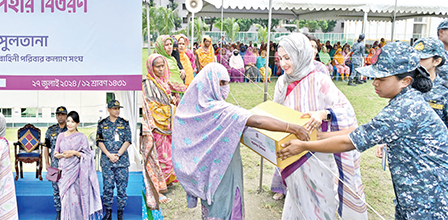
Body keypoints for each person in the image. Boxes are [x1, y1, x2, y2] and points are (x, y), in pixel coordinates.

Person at [278, 42, 448, 219]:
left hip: (428, 200)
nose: (374, 83)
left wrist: (306, 145)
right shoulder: (407, 101)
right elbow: (361, 131)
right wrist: (320, 135)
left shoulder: (404, 110)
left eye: (381, 78)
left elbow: (349, 142)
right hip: (416, 194)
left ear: (405, 81)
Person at [171, 63, 310, 220]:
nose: (226, 87)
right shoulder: (221, 110)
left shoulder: (190, 108)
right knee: (225, 206)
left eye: (227, 82)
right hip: (223, 171)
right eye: (221, 83)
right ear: (209, 83)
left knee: (212, 208)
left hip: (206, 174)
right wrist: (292, 127)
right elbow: (256, 121)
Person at [271, 33, 367, 219]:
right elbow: (277, 111)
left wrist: (323, 114)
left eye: (288, 58)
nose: (283, 63)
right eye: (280, 58)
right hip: (292, 151)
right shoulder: (282, 82)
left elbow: (345, 110)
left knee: (320, 200)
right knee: (296, 195)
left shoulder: (319, 80)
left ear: (301, 55)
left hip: (317, 152)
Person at [141, 54, 176, 209]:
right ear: (151, 67)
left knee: (168, 153)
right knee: (160, 155)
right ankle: (159, 183)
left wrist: (172, 102)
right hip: (156, 125)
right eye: (158, 66)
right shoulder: (147, 84)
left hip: (167, 124)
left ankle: (166, 181)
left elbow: (166, 98)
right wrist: (169, 109)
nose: (161, 69)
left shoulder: (163, 81)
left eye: (163, 66)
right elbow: (151, 107)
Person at [54, 111, 102, 220]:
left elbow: (88, 155)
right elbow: (56, 153)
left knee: (76, 200)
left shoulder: (82, 137)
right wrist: (65, 155)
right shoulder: (61, 136)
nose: (70, 124)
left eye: (73, 122)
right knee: (65, 200)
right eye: (68, 121)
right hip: (64, 172)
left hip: (77, 173)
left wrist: (75, 153)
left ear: (78, 123)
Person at [96, 100, 132, 220]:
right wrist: (108, 155)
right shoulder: (102, 124)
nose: (117, 110)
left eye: (118, 108)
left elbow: (127, 140)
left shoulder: (124, 123)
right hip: (107, 161)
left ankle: (120, 213)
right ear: (109, 109)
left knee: (122, 188)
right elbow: (99, 141)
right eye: (114, 108)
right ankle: (109, 213)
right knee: (107, 187)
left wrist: (118, 154)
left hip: (121, 161)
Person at [413, 38, 448, 126]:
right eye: (414, 57)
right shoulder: (404, 85)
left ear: (437, 61)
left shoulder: (444, 91)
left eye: (421, 58)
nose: (415, 61)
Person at [44, 106, 68, 220]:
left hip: (68, 164)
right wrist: (47, 163)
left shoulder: (71, 129)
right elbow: (46, 147)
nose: (61, 116)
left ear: (66, 116)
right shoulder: (51, 130)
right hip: (54, 164)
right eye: (59, 114)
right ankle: (58, 213)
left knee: (68, 188)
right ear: (56, 116)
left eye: (63, 114)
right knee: (56, 189)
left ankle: (67, 212)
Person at [155, 35, 186, 103]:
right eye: (166, 45)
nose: (169, 47)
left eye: (170, 44)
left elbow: (176, 72)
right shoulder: (158, 60)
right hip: (166, 93)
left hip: (178, 93)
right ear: (161, 47)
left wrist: (181, 72)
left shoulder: (172, 59)